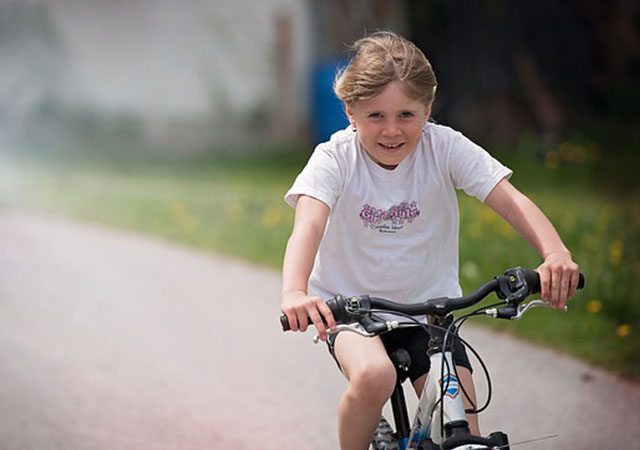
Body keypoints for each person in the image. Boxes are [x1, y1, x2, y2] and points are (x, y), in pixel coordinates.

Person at [280, 31, 580, 450]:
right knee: (374, 377)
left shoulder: (444, 148)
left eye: (406, 115)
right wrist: (295, 290)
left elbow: (511, 202)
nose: (392, 130)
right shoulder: (334, 159)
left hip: (433, 317)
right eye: (376, 116)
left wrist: (555, 254)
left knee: (467, 434)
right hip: (353, 314)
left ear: (428, 109)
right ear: (350, 111)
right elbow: (308, 225)